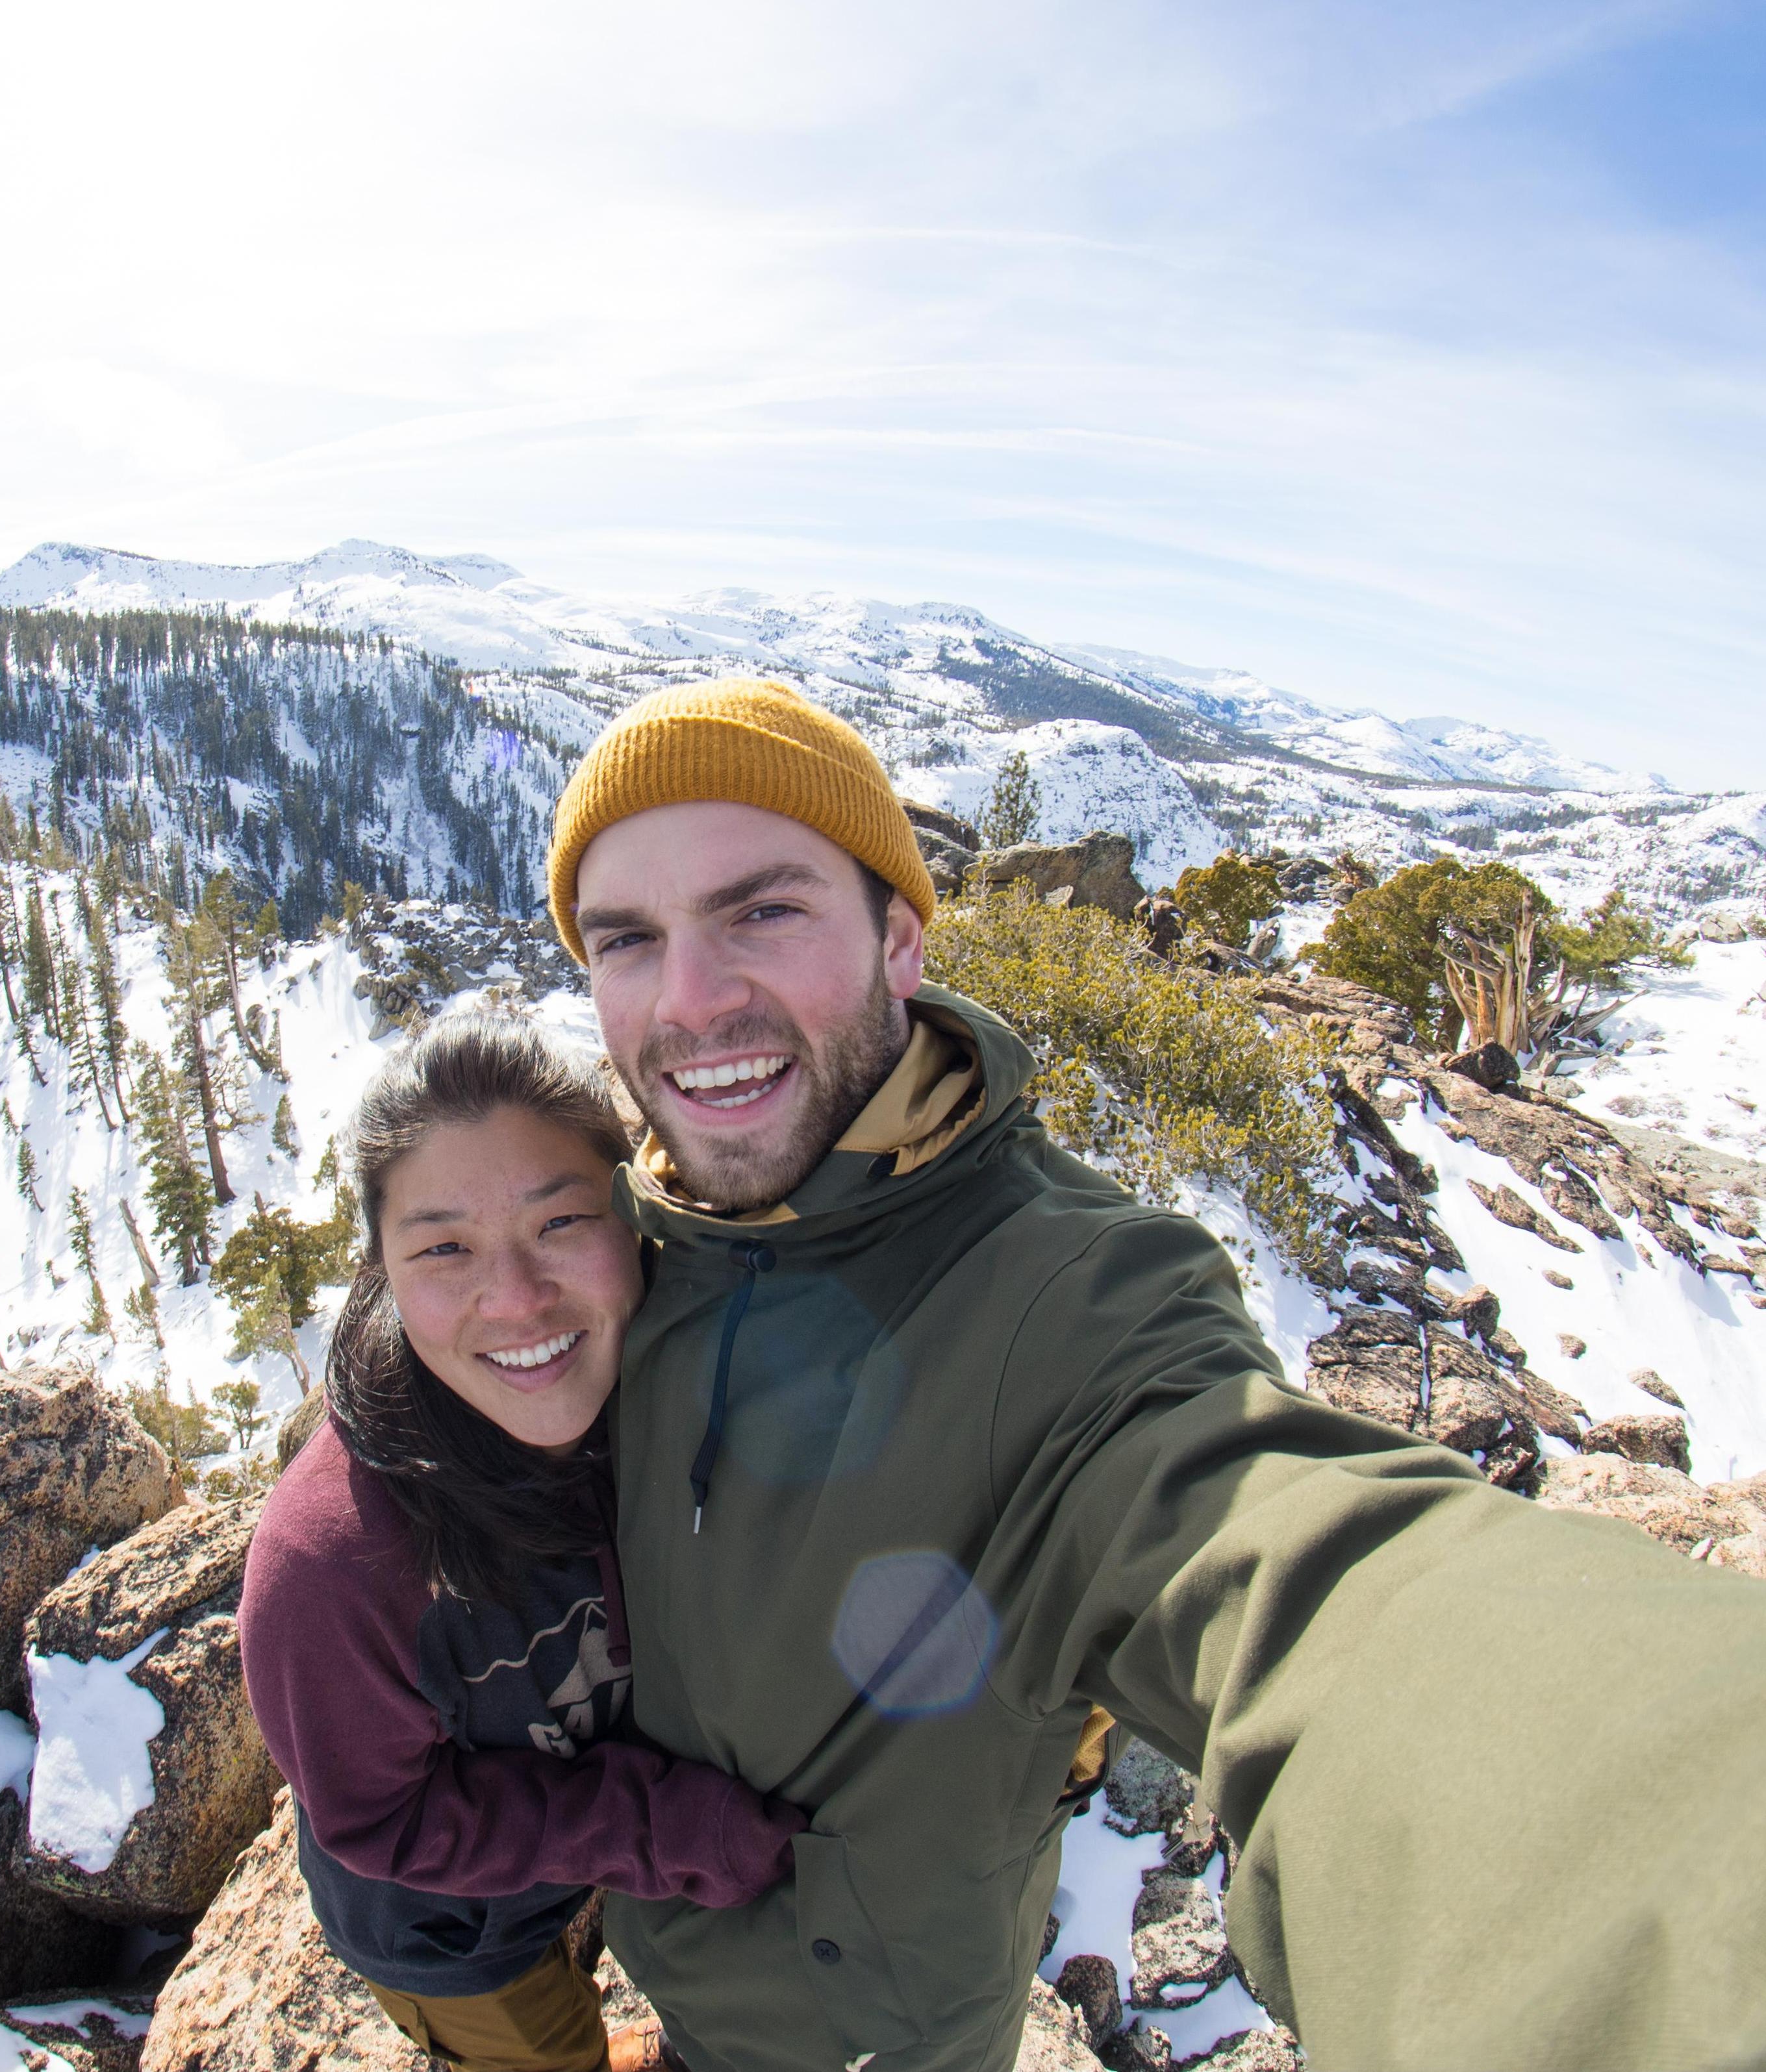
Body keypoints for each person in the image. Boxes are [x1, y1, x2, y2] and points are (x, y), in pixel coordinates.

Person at [543, 677, 1766, 2072]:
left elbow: (1299, 1576)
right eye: (626, 938)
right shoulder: (605, 1253)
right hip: (677, 1973)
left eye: (764, 911)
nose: (690, 1002)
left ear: (900, 942)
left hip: (887, 2031)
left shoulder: (1079, 1300)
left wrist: (1674, 1887)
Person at [239, 1016, 804, 2072]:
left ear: (636, 1221)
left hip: (570, 1858)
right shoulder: (333, 1568)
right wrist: (660, 1829)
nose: (514, 1300)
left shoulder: (672, 1392)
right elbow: (383, 1822)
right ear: (382, 1273)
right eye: (444, 1247)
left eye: (560, 1223)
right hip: (445, 1939)